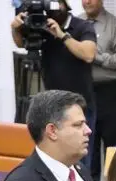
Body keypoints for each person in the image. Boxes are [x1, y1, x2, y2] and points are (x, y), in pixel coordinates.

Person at [11, 0, 97, 169]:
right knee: (54, 155)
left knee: (80, 158)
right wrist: (15, 28)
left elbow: (88, 54)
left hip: (80, 105)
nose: (54, 10)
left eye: (57, 4)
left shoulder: (82, 26)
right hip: (53, 107)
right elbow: (21, 43)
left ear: (66, 5)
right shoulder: (42, 26)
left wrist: (62, 35)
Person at [79, 0, 116, 181]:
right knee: (86, 145)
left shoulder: (115, 26)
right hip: (83, 91)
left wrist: (97, 57)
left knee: (114, 146)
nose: (86, 2)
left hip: (110, 91)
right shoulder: (75, 25)